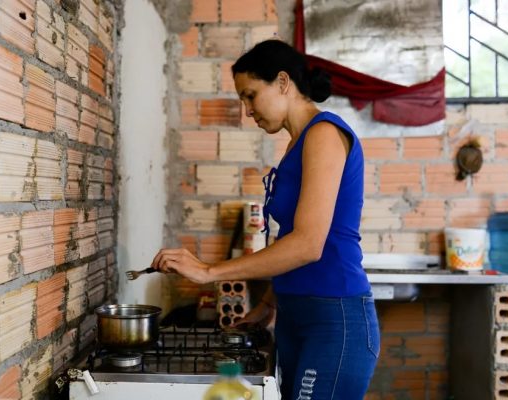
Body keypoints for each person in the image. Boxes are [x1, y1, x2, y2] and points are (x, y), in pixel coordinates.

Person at [152, 39, 380, 400]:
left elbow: (308, 245)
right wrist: (267, 305)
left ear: (284, 83)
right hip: (295, 315)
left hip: (334, 321)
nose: (247, 110)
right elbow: (289, 237)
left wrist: (209, 271)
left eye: (251, 95)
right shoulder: (295, 145)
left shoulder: (323, 133)